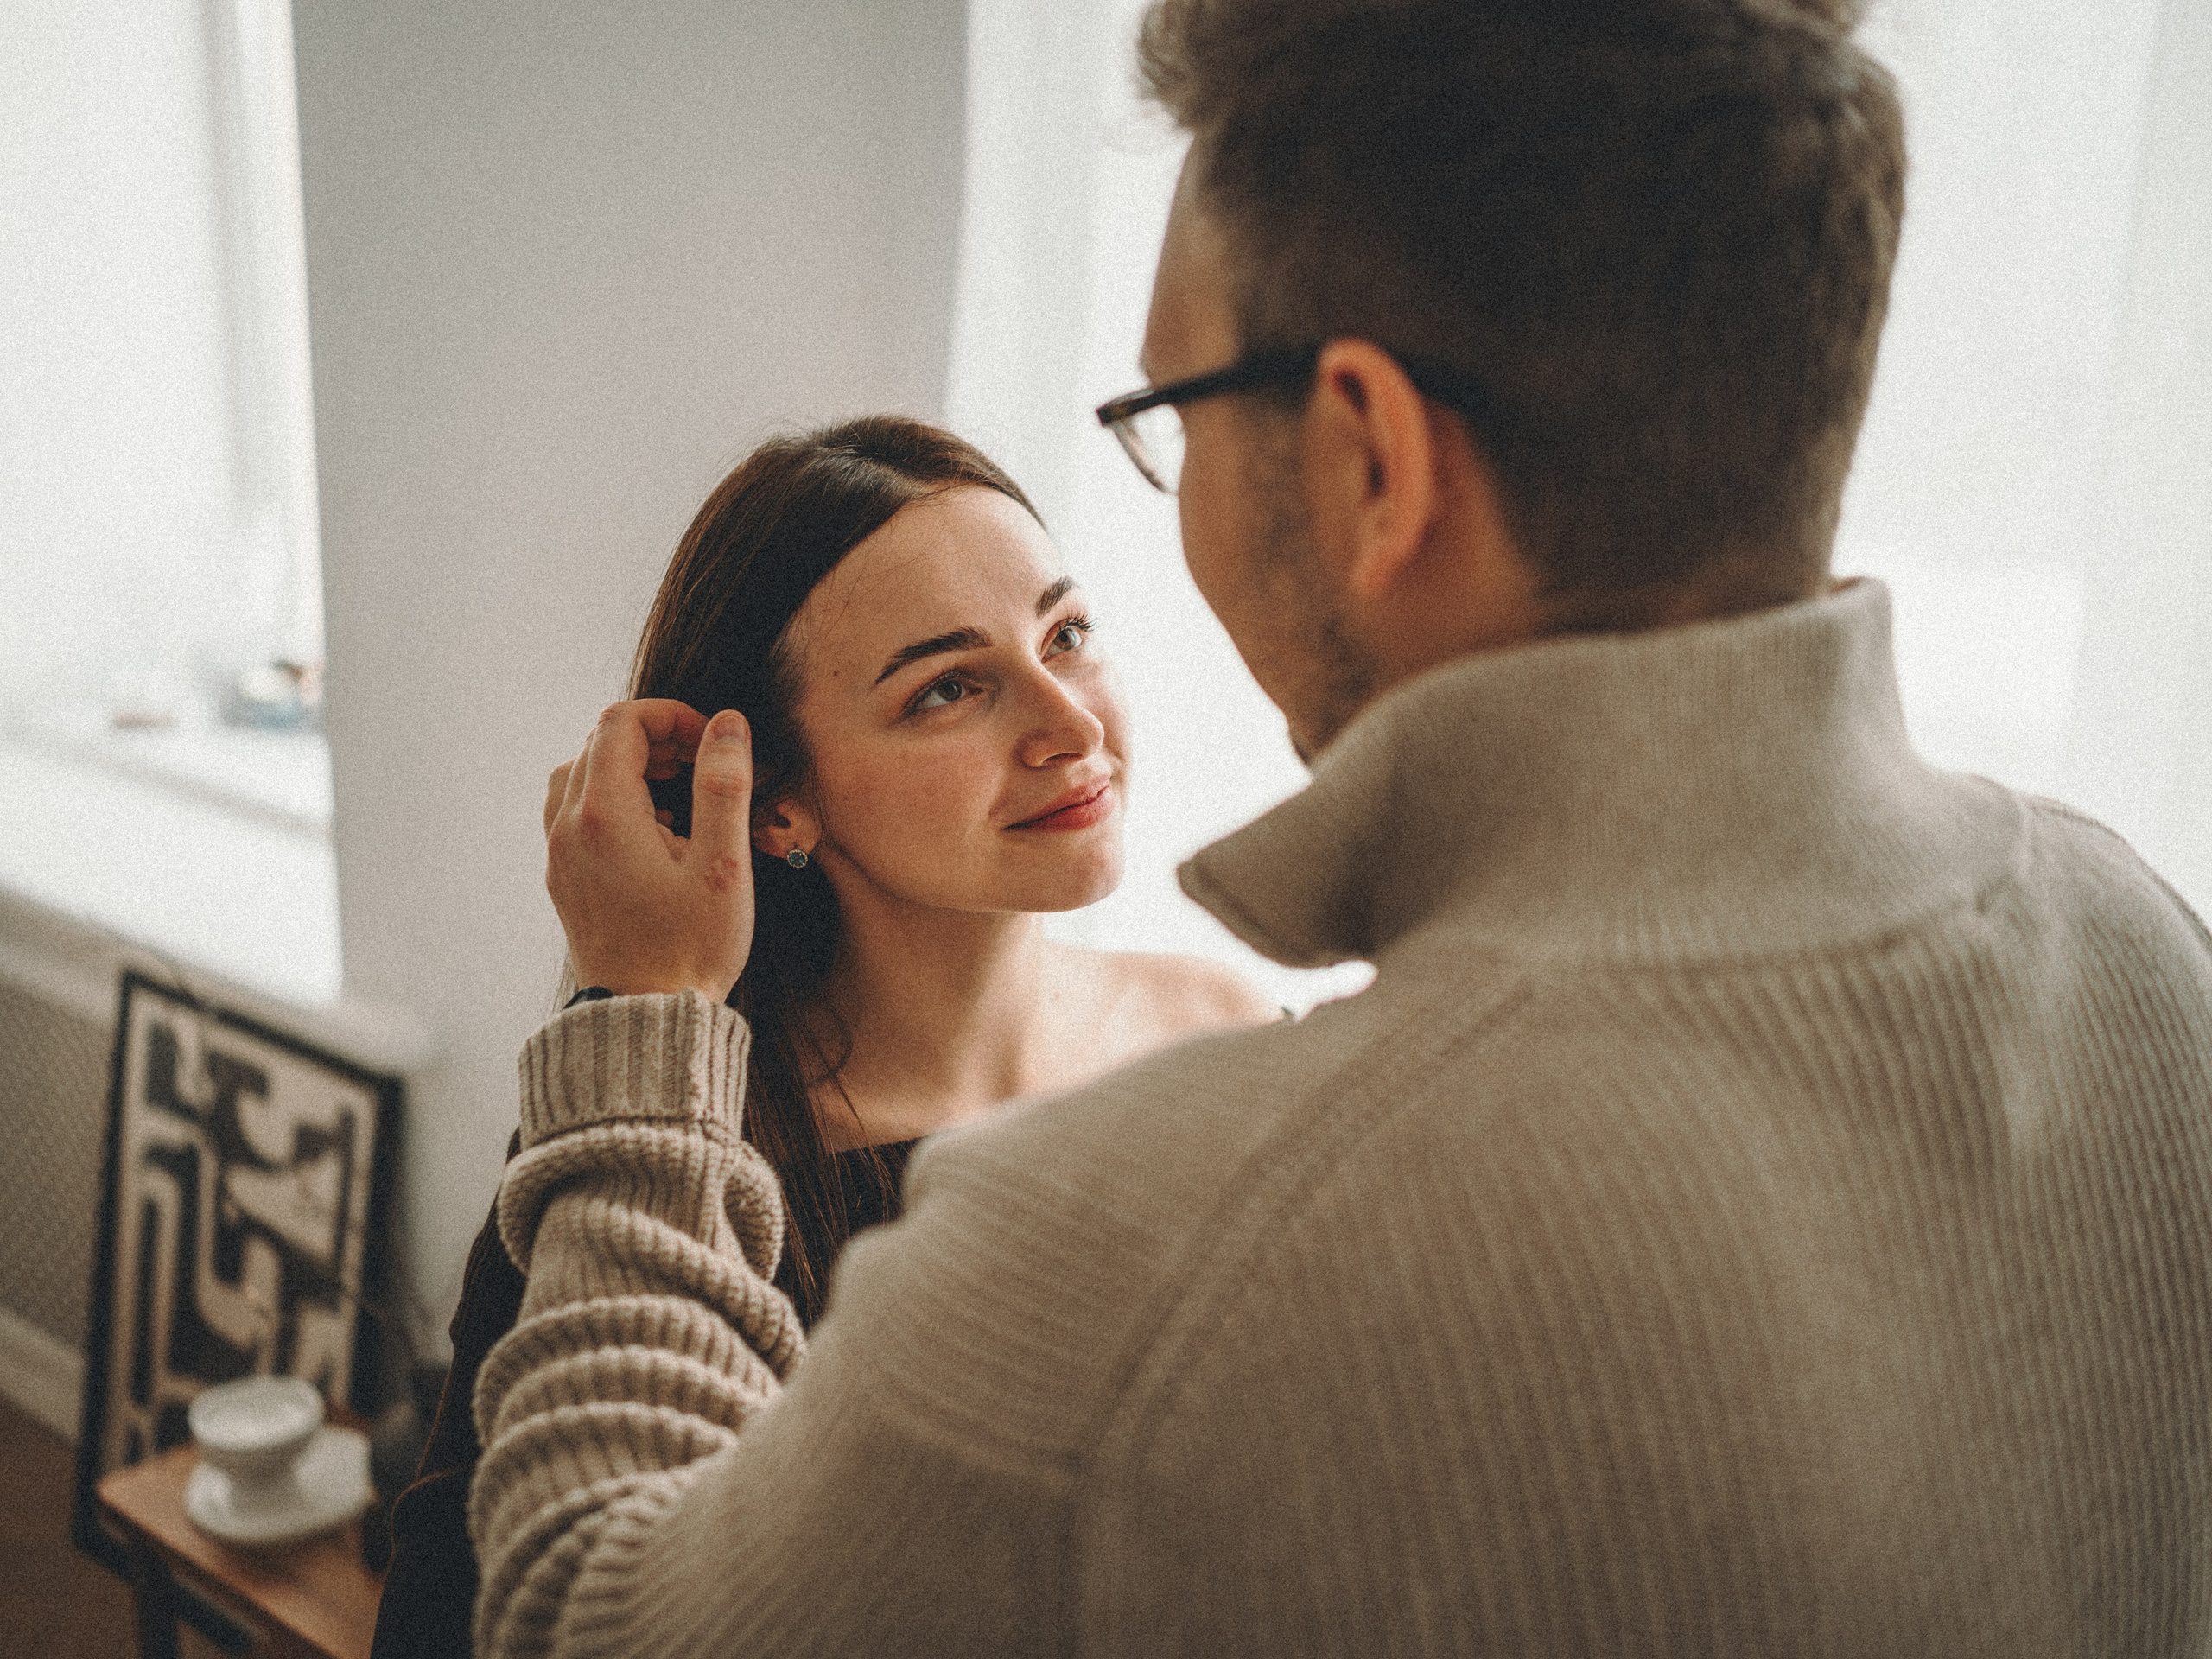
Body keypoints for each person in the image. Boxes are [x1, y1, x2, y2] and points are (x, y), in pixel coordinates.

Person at [468, 0, 2212, 1654]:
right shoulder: (2144, 951)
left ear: (1371, 456)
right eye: (949, 684)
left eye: (1172, 415)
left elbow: (569, 1619)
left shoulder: (1133, 1246)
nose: (1063, 711)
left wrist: (633, 1030)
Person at [367, 416, 1274, 1657]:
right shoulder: (665, 1160)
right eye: (947, 687)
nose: (1069, 722)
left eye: (1067, 633)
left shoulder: (1229, 1041)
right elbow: (459, 1623)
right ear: (776, 802)